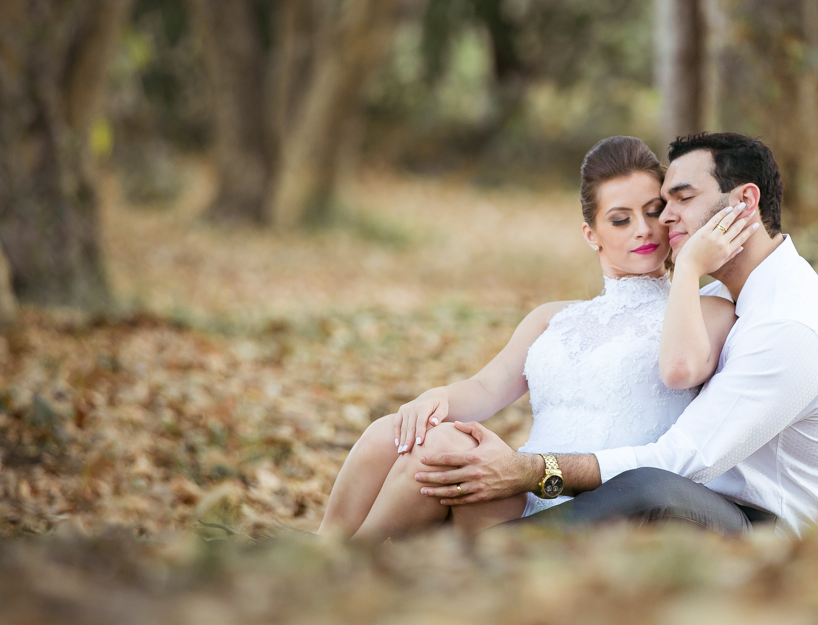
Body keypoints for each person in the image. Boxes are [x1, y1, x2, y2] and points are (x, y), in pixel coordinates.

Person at [414, 132, 818, 538]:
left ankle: (489, 551)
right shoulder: (720, 295)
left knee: (650, 489)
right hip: (694, 500)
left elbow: (682, 461)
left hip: (766, 534)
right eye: (664, 202)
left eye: (682, 199)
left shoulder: (788, 325)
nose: (665, 217)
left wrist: (531, 470)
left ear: (744, 201)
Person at [317, 136, 751, 540]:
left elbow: (680, 370)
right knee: (393, 430)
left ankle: (343, 566)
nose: (643, 229)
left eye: (653, 212)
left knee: (444, 447)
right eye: (620, 219)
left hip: (593, 506)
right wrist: (436, 398)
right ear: (592, 235)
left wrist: (689, 268)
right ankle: (325, 549)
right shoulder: (551, 318)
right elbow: (485, 389)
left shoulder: (709, 309)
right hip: (519, 486)